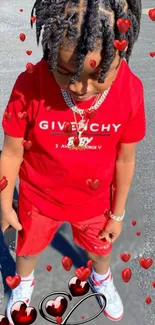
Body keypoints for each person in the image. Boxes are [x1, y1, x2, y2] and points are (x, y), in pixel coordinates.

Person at [0, 0, 145, 323]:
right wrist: (5, 201)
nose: (81, 88)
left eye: (98, 75)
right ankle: (24, 284)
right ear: (50, 50)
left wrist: (117, 214)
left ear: (122, 52)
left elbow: (125, 158)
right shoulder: (29, 85)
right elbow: (11, 152)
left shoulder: (130, 91)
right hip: (37, 199)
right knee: (26, 251)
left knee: (100, 251)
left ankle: (101, 278)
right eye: (66, 73)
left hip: (95, 203)